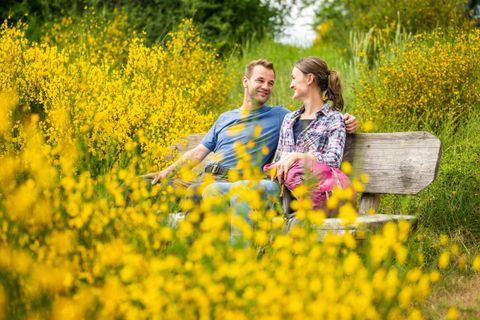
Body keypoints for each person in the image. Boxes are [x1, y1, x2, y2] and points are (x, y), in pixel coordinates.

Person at [142, 59, 357, 204]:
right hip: (206, 177)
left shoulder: (279, 116)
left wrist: (346, 120)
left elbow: (318, 119)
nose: (266, 87)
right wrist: (165, 173)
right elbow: (198, 153)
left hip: (234, 183)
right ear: (246, 82)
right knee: (137, 187)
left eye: (271, 83)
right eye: (261, 81)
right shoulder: (227, 117)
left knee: (197, 196)